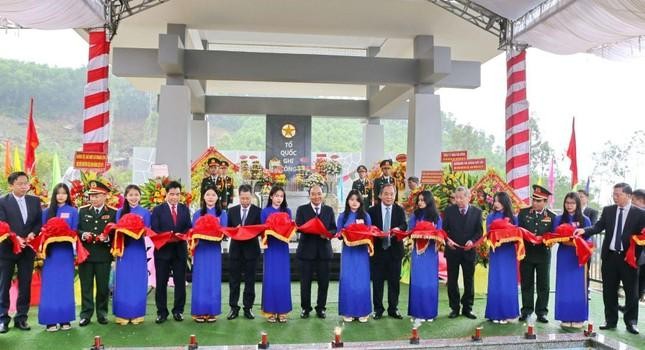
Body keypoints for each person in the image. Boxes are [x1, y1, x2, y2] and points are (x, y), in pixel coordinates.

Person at [577, 183, 645, 335]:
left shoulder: (640, 214)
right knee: (609, 291)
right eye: (613, 194)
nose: (615, 197)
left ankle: (631, 322)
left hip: (630, 259)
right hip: (610, 258)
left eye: (618, 195)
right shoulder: (608, 210)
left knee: (631, 292)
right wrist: (584, 230)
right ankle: (610, 320)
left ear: (628, 195)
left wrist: (637, 253)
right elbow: (598, 227)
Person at [0, 171, 42, 333]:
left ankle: (21, 318)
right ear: (11, 185)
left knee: (25, 284)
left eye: (26, 183)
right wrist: (16, 238)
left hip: (27, 250)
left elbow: (38, 222)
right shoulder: (3, 202)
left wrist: (33, 233)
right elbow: (2, 223)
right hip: (7, 249)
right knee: (4, 284)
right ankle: (3, 319)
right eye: (20, 184)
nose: (24, 186)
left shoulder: (34, 201)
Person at [151, 181, 192, 324]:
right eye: (171, 194)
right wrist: (167, 235)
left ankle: (178, 311)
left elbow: (188, 227)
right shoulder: (157, 210)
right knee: (161, 283)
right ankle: (161, 312)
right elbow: (155, 229)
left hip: (180, 251)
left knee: (180, 282)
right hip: (162, 251)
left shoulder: (184, 209)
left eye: (177, 194)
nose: (174, 197)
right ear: (166, 194)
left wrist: (183, 234)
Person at [77, 180, 117, 327]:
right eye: (91, 196)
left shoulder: (113, 212)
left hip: (103, 255)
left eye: (97, 195)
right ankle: (86, 314)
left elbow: (116, 233)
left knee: (103, 287)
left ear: (105, 196)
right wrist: (83, 234)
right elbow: (76, 229)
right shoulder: (82, 211)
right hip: (85, 255)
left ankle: (102, 313)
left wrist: (107, 238)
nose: (94, 198)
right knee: (86, 286)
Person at [38, 183, 78, 332]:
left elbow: (74, 231)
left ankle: (65, 318)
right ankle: (50, 320)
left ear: (68, 195)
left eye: (64, 193)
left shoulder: (73, 211)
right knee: (51, 286)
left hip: (66, 253)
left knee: (65, 285)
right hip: (51, 254)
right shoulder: (47, 212)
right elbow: (42, 232)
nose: (61, 196)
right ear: (54, 195)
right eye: (58, 193)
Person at [296, 184, 337, 319]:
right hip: (306, 251)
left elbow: (333, 228)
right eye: (313, 194)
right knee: (305, 282)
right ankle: (305, 308)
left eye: (319, 193)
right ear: (309, 195)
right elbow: (298, 227)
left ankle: (321, 308)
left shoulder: (329, 210)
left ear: (322, 194)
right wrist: (310, 228)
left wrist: (327, 234)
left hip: (324, 252)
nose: (316, 196)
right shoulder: (302, 209)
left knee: (324, 282)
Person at [368, 183, 407, 319]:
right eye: (386, 193)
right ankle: (378, 309)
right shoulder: (372, 211)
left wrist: (398, 229)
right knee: (377, 282)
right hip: (378, 251)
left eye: (392, 194)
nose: (389, 196)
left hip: (395, 251)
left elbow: (404, 225)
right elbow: (369, 228)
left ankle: (393, 308)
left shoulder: (399, 210)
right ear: (380, 195)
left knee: (394, 282)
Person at [552, 192, 592, 328]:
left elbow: (588, 239)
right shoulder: (558, 219)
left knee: (578, 287)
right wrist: (565, 240)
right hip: (564, 255)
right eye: (567, 203)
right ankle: (564, 317)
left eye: (572, 203)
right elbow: (554, 237)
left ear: (578, 204)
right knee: (564, 286)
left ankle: (578, 317)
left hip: (578, 256)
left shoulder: (585, 220)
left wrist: (577, 242)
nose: (569, 206)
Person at [443, 186, 483, 320]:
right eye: (456, 198)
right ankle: (454, 308)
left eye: (461, 197)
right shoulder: (448, 211)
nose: (458, 200)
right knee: (452, 281)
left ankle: (468, 308)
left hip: (468, 251)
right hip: (452, 251)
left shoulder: (477, 212)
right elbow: (444, 231)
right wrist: (447, 241)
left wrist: (472, 241)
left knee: (469, 281)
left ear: (468, 197)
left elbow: (479, 232)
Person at [113, 185, 151, 325]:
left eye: (136, 194)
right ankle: (122, 314)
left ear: (140, 196)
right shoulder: (120, 212)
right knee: (123, 281)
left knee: (138, 280)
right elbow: (117, 230)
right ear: (126, 197)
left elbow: (148, 230)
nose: (134, 197)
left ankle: (137, 313)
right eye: (131, 195)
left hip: (139, 250)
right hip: (124, 250)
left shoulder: (145, 212)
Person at [191, 185, 228, 323]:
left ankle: (212, 312)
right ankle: (199, 312)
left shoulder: (222, 214)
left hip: (214, 251)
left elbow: (224, 232)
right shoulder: (197, 214)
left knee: (213, 280)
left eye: (213, 194)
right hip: (201, 250)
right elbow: (193, 232)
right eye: (208, 194)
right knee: (200, 280)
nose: (210, 197)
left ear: (217, 197)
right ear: (203, 197)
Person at [226, 184, 261, 320]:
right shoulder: (232, 211)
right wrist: (236, 229)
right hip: (235, 250)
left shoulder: (258, 211)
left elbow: (260, 229)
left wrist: (249, 231)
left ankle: (248, 308)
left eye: (247, 198)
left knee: (250, 281)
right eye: (242, 198)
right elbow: (227, 229)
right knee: (234, 281)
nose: (245, 201)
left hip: (251, 250)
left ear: (251, 197)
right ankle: (233, 308)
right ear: (238, 197)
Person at [337, 189, 372, 323]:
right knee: (348, 280)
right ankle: (348, 311)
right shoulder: (342, 216)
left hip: (362, 253)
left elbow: (370, 234)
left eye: (357, 200)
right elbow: (338, 234)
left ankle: (363, 311)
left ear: (360, 202)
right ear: (347, 201)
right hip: (348, 253)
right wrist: (343, 234)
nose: (354, 202)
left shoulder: (366, 216)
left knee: (361, 280)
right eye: (351, 199)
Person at [407, 190, 442, 323]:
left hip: (431, 254)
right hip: (417, 253)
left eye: (423, 200)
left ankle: (429, 313)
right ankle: (416, 313)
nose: (420, 203)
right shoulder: (415, 215)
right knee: (418, 281)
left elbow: (439, 233)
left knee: (429, 282)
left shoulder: (436, 217)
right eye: (419, 200)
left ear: (429, 201)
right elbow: (410, 231)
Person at [484, 192, 519, 324]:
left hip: (508, 253)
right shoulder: (490, 217)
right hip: (496, 252)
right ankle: (494, 314)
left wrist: (507, 236)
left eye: (499, 201)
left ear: (505, 202)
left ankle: (508, 313)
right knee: (496, 281)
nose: (496, 204)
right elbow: (488, 234)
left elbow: (517, 235)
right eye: (495, 201)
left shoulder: (513, 217)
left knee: (507, 282)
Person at [260, 186, 293, 323]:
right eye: (276, 195)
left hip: (282, 247)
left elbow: (290, 229)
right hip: (271, 248)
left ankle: (283, 311)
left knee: (283, 278)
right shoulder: (265, 211)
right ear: (271, 197)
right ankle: (270, 311)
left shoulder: (288, 211)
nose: (279, 198)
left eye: (281, 196)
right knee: (270, 278)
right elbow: (262, 230)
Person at [631, 189, 645, 302]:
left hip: (641, 254)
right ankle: (631, 305)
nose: (631, 202)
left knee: (639, 281)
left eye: (633, 199)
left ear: (641, 200)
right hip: (636, 253)